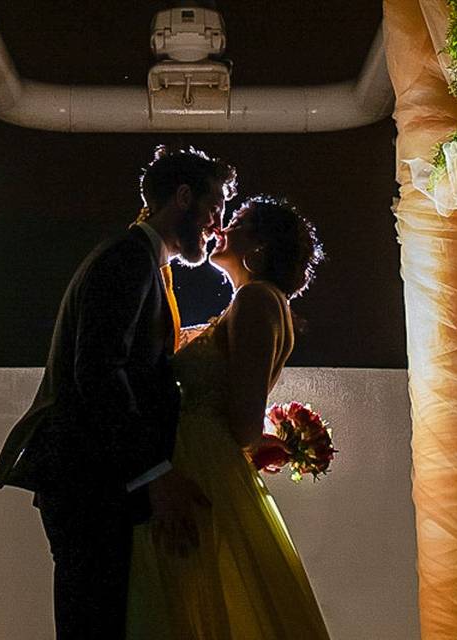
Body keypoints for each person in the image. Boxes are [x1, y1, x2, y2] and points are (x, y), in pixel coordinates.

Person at [0, 146, 237, 638]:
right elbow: (99, 371)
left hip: (95, 484)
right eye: (214, 208)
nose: (217, 226)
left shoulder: (141, 259)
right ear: (183, 198)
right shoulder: (129, 259)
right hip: (89, 484)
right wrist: (155, 474)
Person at [125, 194, 330, 639]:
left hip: (199, 459)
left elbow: (243, 419)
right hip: (202, 454)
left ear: (256, 249)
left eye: (237, 221)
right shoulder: (258, 302)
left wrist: (245, 441)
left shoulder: (257, 299)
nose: (222, 226)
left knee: (183, 598)